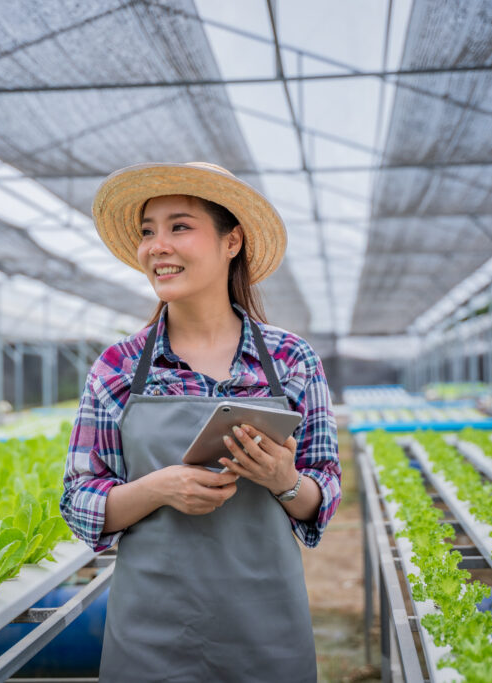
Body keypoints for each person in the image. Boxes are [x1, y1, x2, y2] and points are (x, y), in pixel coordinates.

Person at [60, 161, 341, 682]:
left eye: (179, 227)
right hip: (151, 635)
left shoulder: (290, 360)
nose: (157, 246)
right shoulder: (118, 366)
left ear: (232, 241)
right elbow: (79, 502)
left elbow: (322, 493)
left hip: (266, 630)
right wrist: (159, 488)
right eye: (148, 232)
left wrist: (283, 480)